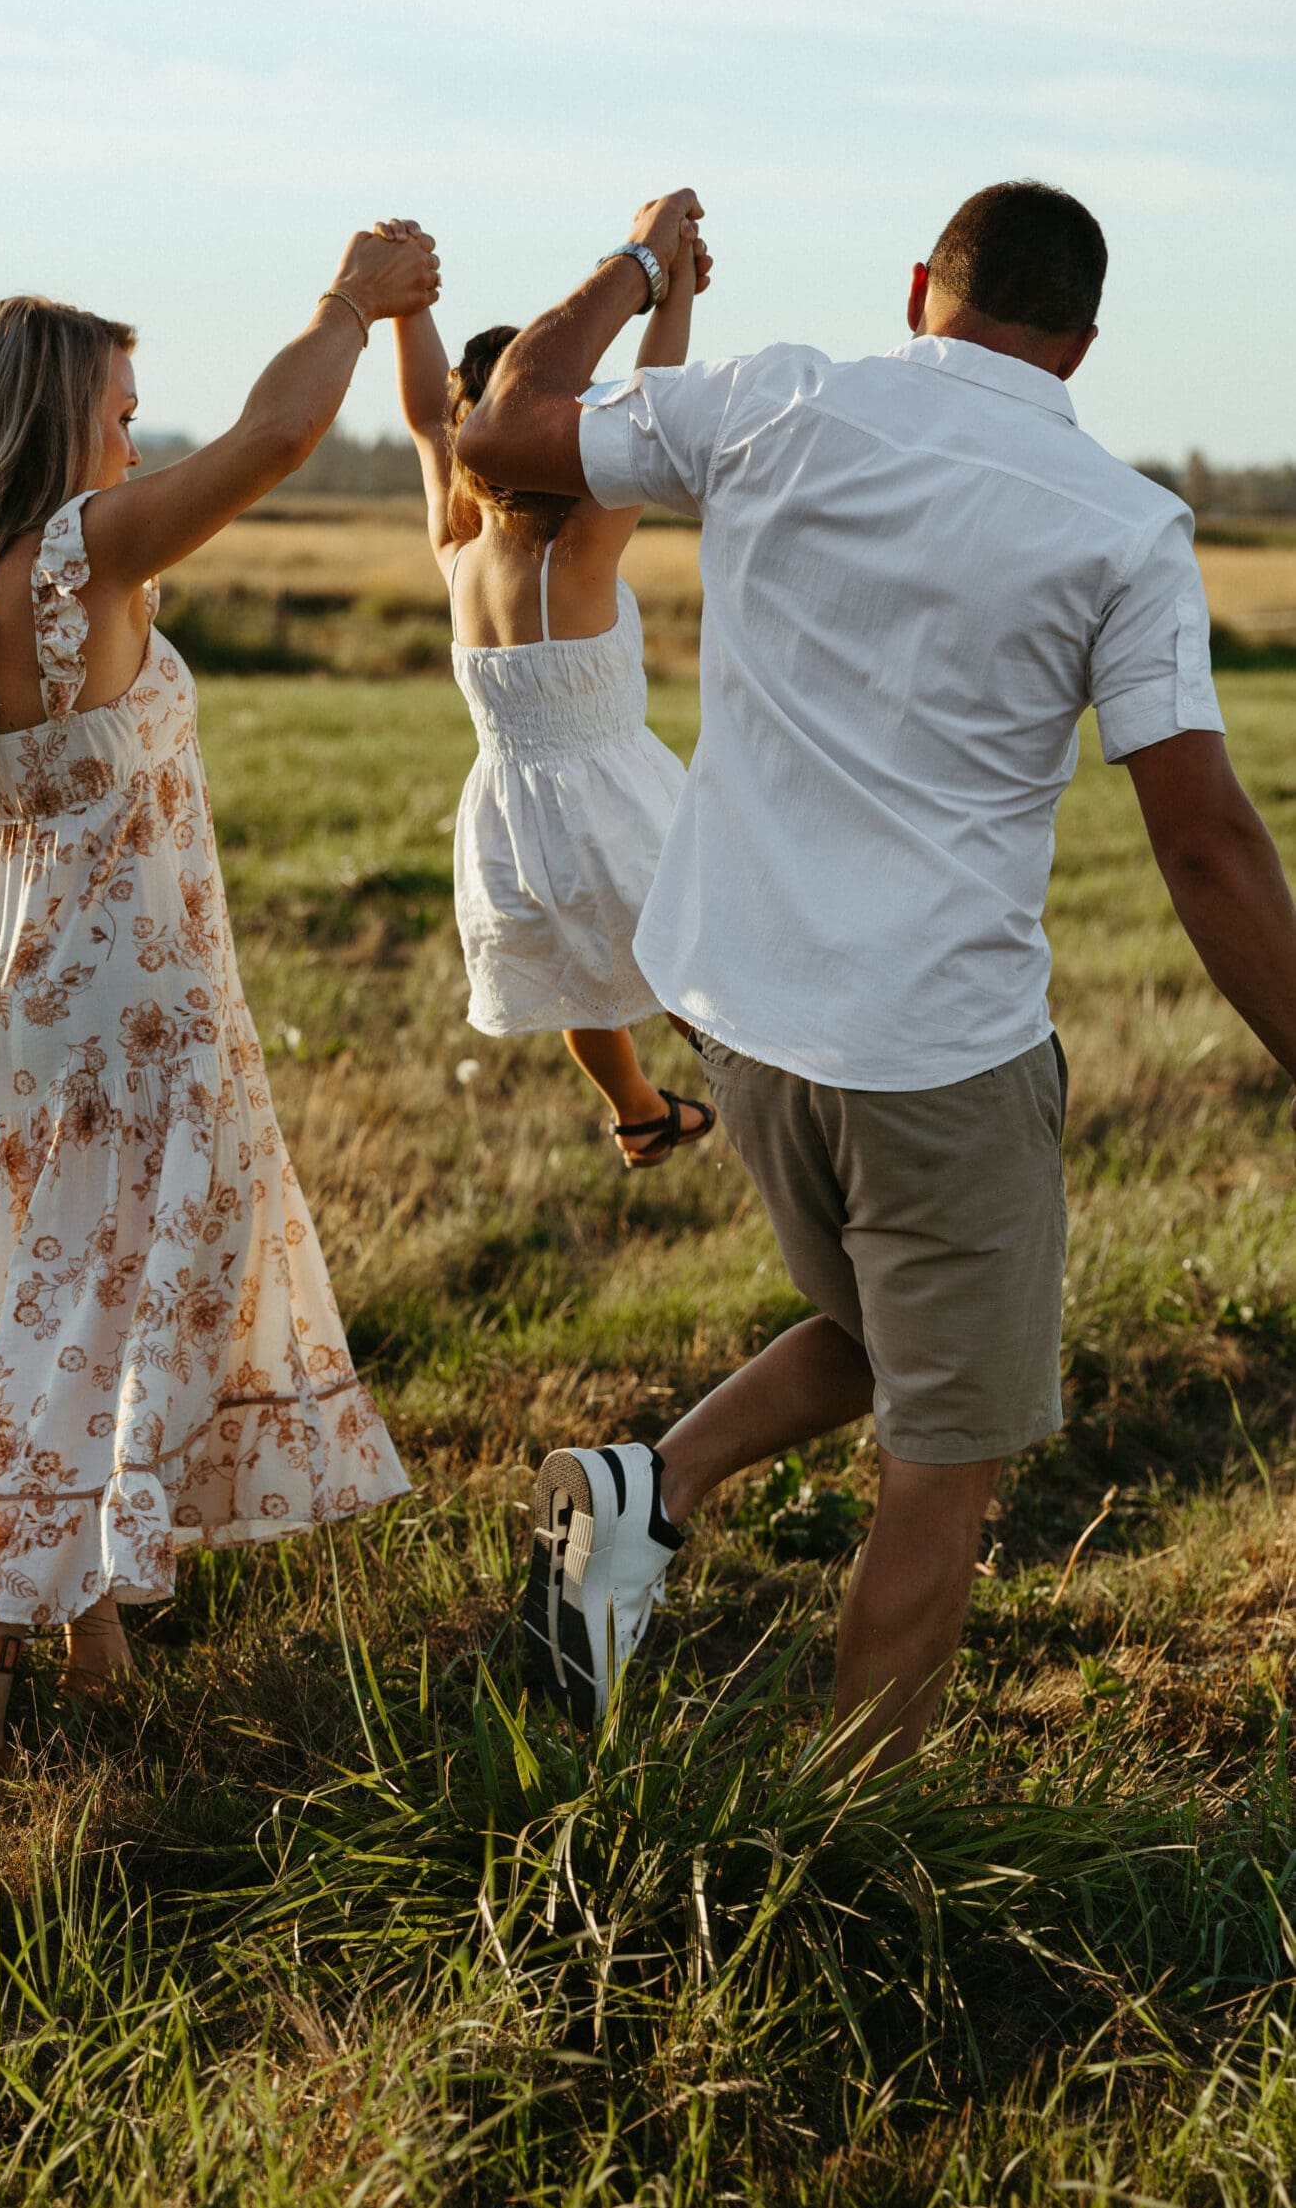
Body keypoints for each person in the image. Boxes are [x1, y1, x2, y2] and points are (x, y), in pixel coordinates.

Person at [458, 179, 1296, 1767]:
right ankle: (855, 1833)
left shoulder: (776, 400)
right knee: (945, 1448)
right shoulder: (1123, 526)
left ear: (922, 287)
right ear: (1082, 346)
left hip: (741, 1015)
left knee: (886, 1331)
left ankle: (645, 1491)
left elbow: (503, 436)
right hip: (933, 1048)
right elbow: (1199, 842)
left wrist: (636, 266)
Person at [0, 232, 436, 1776]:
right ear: (53, 425)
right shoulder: (81, 551)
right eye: (117, 412)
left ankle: (59, 1663)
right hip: (127, 1001)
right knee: (116, 1300)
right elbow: (279, 438)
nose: (137, 437)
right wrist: (347, 305)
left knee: (31, 1283)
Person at [387, 218, 716, 1169]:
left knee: (578, 982)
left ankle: (637, 1110)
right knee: (695, 969)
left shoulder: (458, 557)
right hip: (617, 802)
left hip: (511, 818)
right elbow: (657, 403)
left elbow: (419, 417)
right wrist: (674, 291)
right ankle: (752, 1086)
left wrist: (409, 312)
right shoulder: (577, 553)